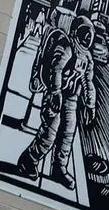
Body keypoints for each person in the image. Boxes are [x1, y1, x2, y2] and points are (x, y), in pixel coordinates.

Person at [16, 15, 98, 189]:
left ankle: (59, 168)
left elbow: (88, 82)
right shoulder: (67, 47)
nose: (87, 38)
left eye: (90, 34)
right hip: (57, 95)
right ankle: (28, 160)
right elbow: (56, 69)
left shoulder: (87, 58)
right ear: (76, 31)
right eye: (85, 32)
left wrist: (90, 104)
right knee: (50, 132)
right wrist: (55, 92)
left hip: (71, 100)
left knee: (67, 134)